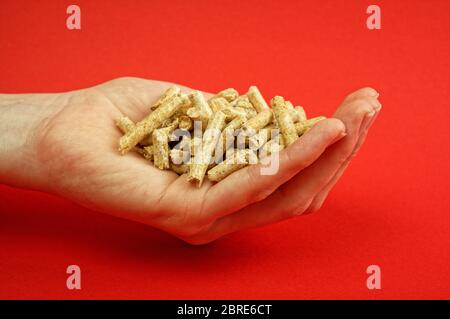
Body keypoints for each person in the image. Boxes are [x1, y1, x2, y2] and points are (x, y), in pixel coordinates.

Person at [0, 77, 381, 244]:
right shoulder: (178, 130)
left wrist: (39, 125)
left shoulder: (243, 131)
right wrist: (43, 130)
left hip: (212, 149)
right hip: (197, 150)